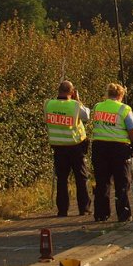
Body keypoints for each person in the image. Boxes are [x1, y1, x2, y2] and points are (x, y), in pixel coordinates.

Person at [90, 83, 133, 222]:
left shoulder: (98, 107)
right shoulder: (124, 109)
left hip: (99, 147)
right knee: (122, 182)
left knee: (102, 182)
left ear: (108, 94)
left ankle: (101, 214)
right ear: (121, 95)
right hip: (119, 149)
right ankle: (123, 214)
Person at [44, 80, 92, 217]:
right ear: (72, 92)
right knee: (81, 178)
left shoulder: (48, 104)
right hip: (75, 146)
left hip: (58, 147)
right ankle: (84, 209)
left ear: (58, 91)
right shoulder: (75, 105)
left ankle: (62, 210)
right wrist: (78, 100)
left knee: (62, 179)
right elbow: (87, 116)